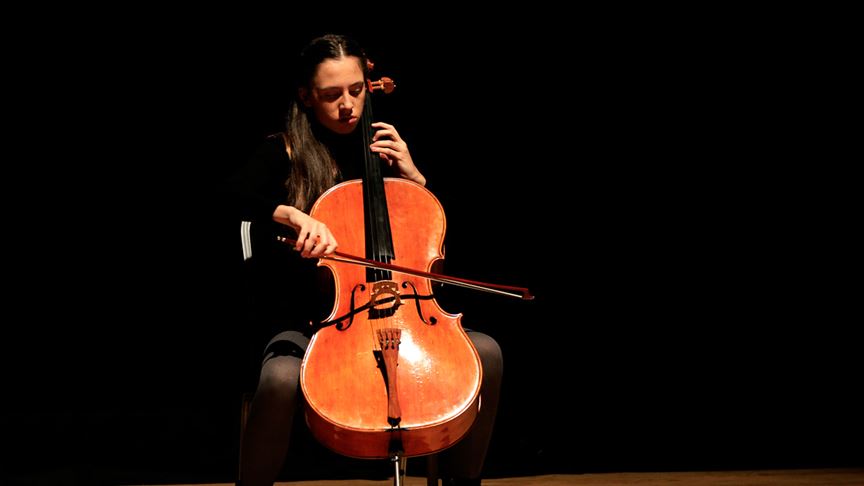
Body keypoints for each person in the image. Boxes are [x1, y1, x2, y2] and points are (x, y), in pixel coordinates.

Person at [225, 34, 503, 486]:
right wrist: (289, 213)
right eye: (332, 95)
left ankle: (460, 482)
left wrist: (415, 178)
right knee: (278, 378)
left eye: (356, 90)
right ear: (306, 96)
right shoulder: (285, 150)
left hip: (404, 311)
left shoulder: (384, 149)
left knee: (487, 353)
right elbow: (228, 199)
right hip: (312, 317)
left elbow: (435, 238)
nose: (348, 105)